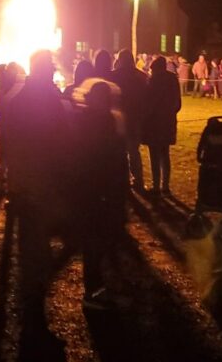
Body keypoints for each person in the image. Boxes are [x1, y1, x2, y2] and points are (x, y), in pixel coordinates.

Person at [0, 50, 68, 359]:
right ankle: (34, 317)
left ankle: (33, 310)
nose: (54, 68)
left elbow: (9, 134)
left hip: (26, 179)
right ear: (42, 68)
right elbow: (58, 136)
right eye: (51, 64)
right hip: (41, 179)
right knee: (37, 250)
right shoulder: (45, 95)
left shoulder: (20, 94)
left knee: (32, 245)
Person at [69, 80, 127, 310]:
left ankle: (101, 287)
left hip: (104, 189)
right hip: (95, 190)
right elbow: (95, 157)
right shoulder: (92, 121)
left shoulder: (104, 119)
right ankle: (93, 291)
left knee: (103, 240)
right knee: (94, 242)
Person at [143, 56, 182, 194]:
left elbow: (148, 102)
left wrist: (147, 116)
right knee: (165, 154)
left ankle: (156, 184)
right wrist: (170, 113)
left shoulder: (153, 81)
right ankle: (165, 185)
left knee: (154, 155)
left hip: (154, 123)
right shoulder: (172, 79)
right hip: (167, 122)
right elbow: (178, 103)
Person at [112, 50, 150, 190]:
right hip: (135, 118)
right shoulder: (141, 76)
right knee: (134, 151)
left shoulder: (114, 75)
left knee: (121, 151)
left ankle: (124, 180)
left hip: (119, 119)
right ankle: (138, 180)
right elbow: (146, 99)